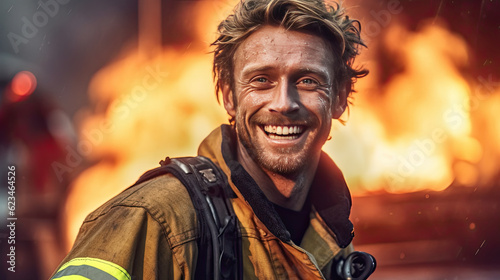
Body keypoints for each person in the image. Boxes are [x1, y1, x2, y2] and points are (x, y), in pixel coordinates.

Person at [51, 0, 370, 279]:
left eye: (308, 80)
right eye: (261, 80)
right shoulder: (154, 220)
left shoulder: (331, 239)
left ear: (339, 97)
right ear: (229, 97)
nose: (284, 103)